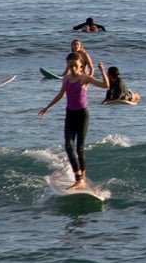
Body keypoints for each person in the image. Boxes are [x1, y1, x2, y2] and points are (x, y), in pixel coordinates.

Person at [38, 55, 108, 189]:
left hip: (82, 115)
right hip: (70, 115)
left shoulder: (85, 78)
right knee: (69, 146)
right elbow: (60, 95)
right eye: (70, 66)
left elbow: (105, 85)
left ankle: (81, 179)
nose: (73, 68)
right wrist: (47, 108)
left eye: (76, 65)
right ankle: (79, 178)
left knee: (79, 148)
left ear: (81, 66)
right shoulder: (66, 79)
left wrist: (102, 70)